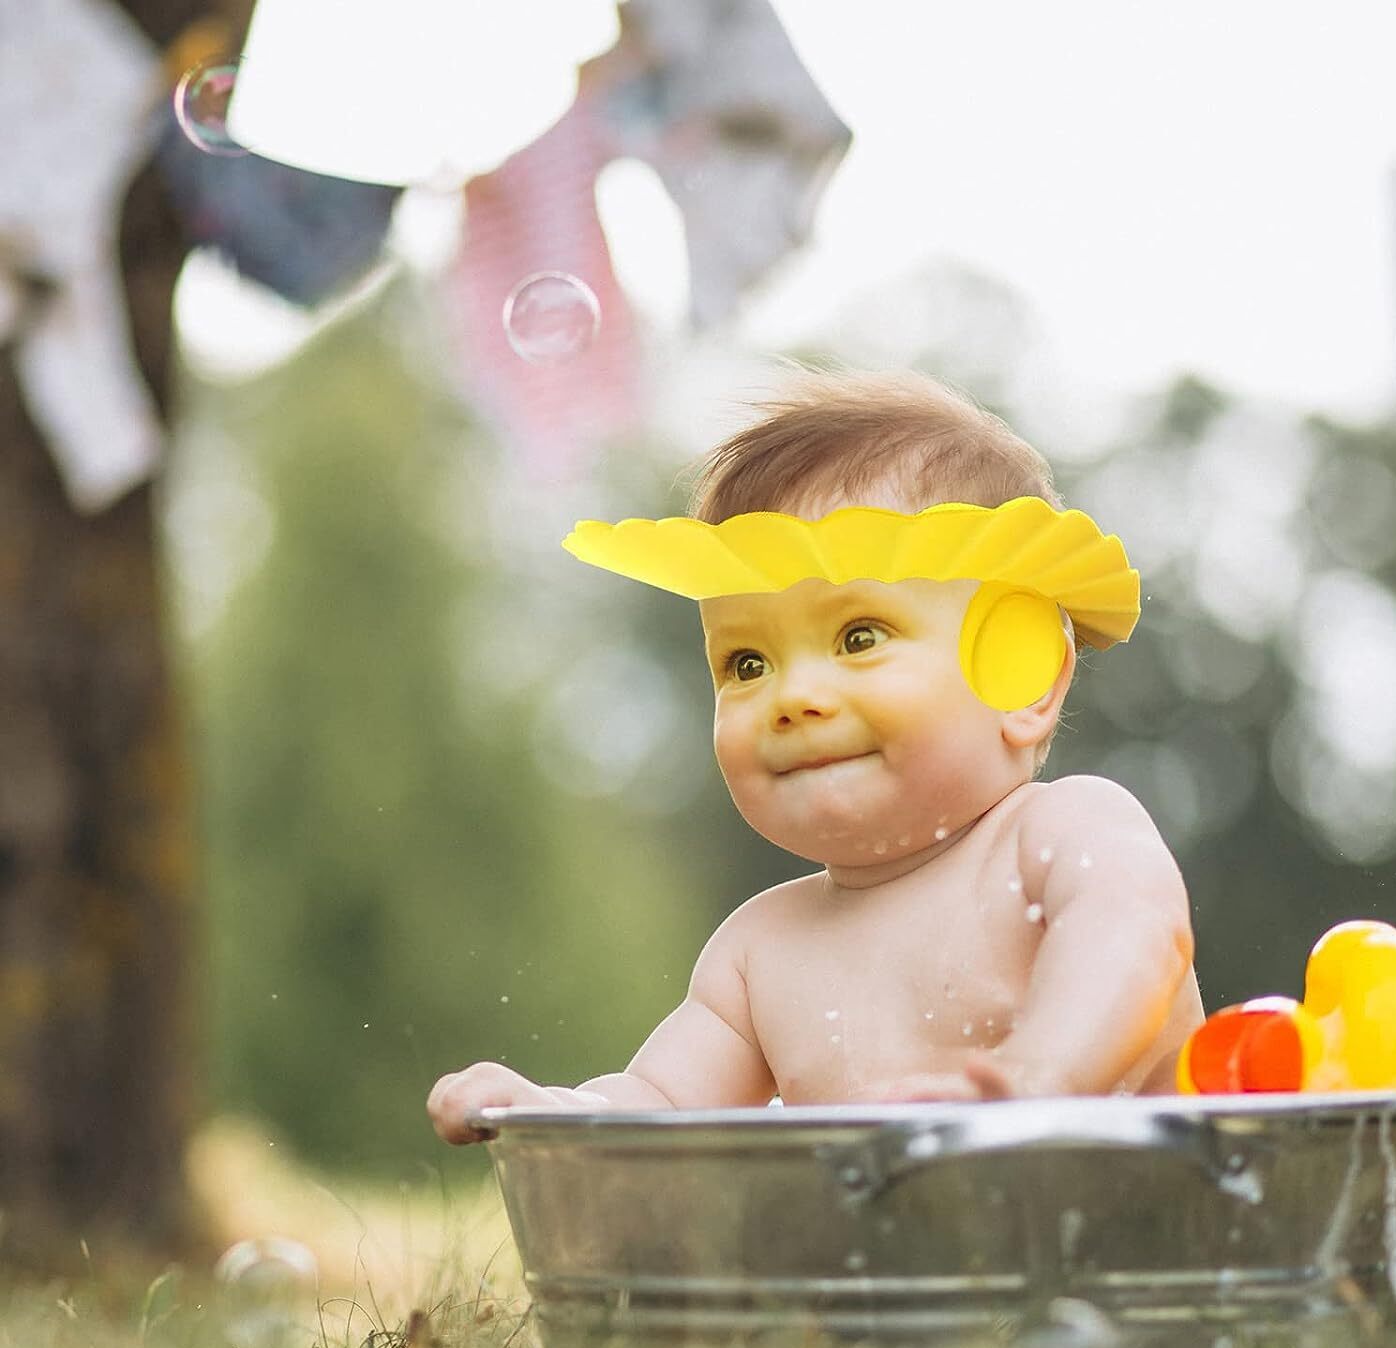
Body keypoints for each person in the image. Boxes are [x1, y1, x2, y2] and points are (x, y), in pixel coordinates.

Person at [428, 367, 1204, 1144]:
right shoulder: (760, 948)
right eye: (746, 664)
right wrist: (554, 1111)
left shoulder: (1062, 832)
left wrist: (1042, 1078)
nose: (792, 695)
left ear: (1022, 676)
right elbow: (660, 1102)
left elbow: (1133, 938)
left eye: (858, 638)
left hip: (1130, 1231)